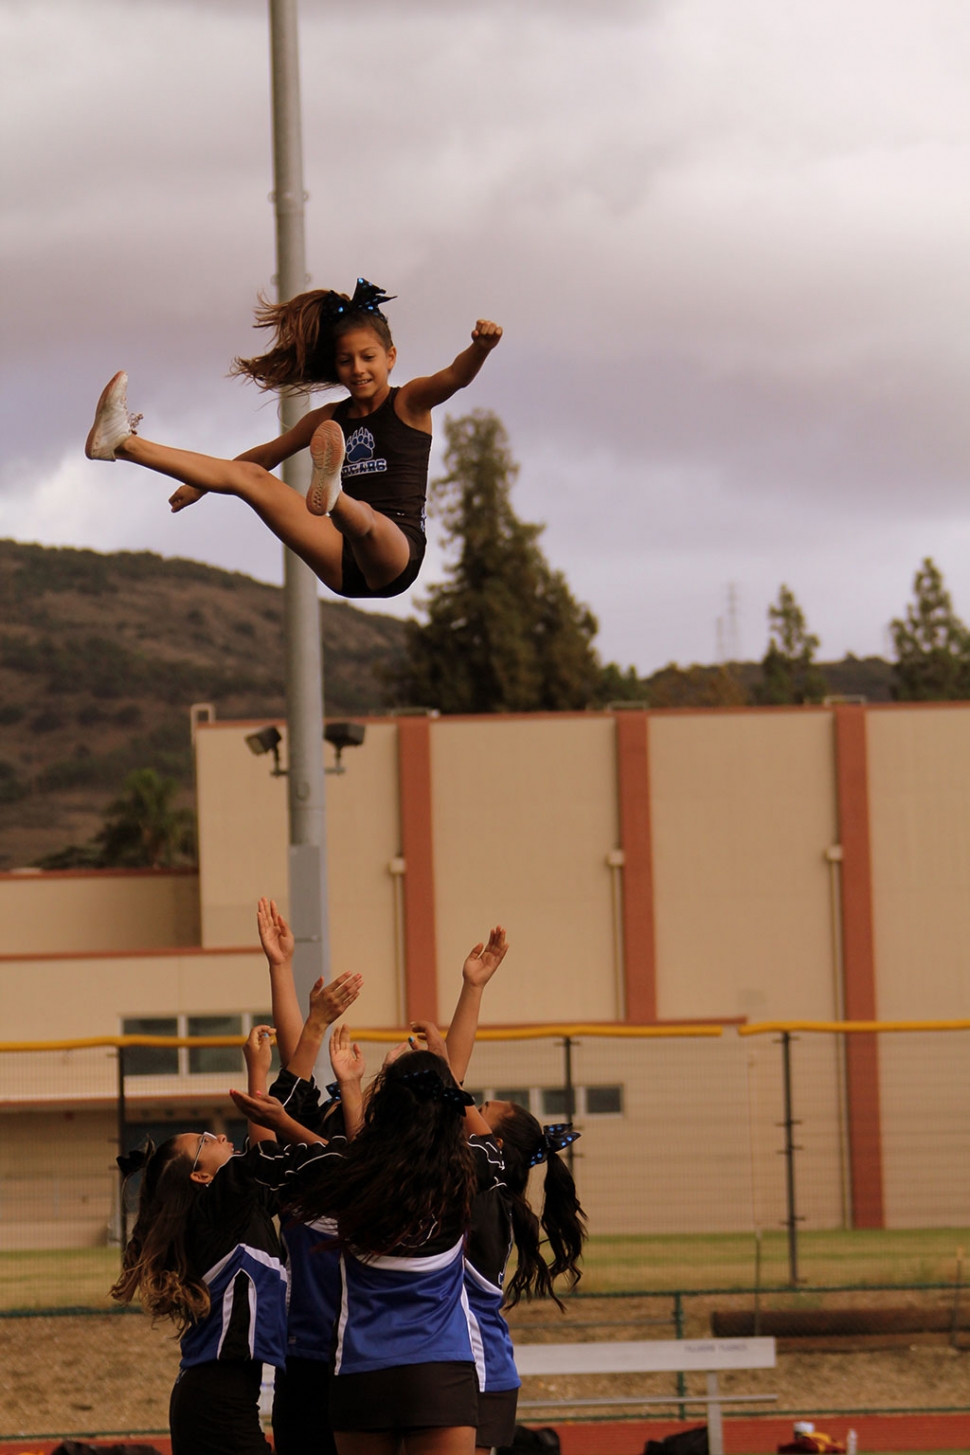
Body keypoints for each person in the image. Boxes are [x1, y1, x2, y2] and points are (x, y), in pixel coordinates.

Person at [84, 278, 503, 599]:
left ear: (390, 358)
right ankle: (122, 444)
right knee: (251, 479)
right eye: (345, 361)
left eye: (368, 358)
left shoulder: (409, 402)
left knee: (369, 521)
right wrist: (200, 486)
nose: (357, 369)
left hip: (396, 554)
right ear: (335, 366)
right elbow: (263, 457)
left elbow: (455, 377)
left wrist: (480, 349)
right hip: (340, 561)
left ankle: (334, 497)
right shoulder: (328, 418)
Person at [233, 1029, 502, 1455]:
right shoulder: (462, 1172)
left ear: (388, 1107)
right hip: (439, 1373)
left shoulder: (349, 1175)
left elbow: (305, 1158)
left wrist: (345, 1091)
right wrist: (447, 1074)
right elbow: (491, 1147)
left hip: (361, 1375)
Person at [111, 1005, 360, 1455]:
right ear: (200, 1178)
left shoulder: (235, 1215)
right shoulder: (214, 1209)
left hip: (219, 1401)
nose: (219, 1136)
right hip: (214, 1408)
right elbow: (272, 1145)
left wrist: (278, 1058)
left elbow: (265, 1142)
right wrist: (291, 1050)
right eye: (205, 1142)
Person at [443, 935, 587, 1455]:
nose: (469, 1106)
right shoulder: (488, 1189)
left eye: (481, 1106)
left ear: (493, 1141)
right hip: (473, 1366)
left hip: (478, 1368)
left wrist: (468, 996)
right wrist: (471, 986)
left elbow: (450, 1084)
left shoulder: (486, 1191)